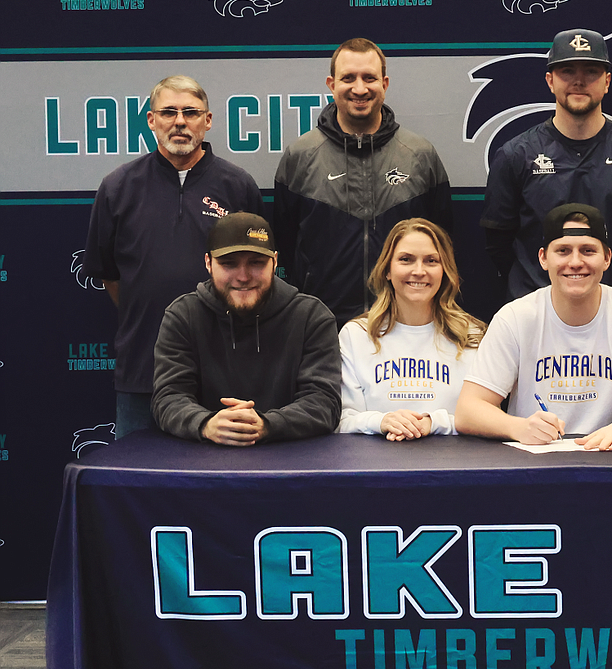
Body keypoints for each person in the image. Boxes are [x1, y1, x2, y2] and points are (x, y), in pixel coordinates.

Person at [83, 75, 263, 438]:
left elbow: (258, 274)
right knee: (135, 485)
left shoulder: (238, 186)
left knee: (221, 486)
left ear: (207, 121)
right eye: (168, 112)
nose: (179, 121)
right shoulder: (118, 187)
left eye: (190, 112)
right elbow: (112, 277)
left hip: (222, 371)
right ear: (151, 120)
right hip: (142, 369)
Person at [480, 28, 612, 312]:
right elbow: (499, 244)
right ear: (550, 81)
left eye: (591, 71)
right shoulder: (515, 155)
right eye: (567, 71)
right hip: (536, 313)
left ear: (607, 82)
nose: (579, 81)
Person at [456, 203, 612, 450]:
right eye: (563, 250)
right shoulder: (516, 317)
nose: (576, 262)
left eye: (588, 250)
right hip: (535, 461)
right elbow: (468, 410)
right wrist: (518, 427)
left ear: (607, 258)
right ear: (543, 258)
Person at [274, 37, 452, 327]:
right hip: (322, 326)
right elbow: (285, 245)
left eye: (369, 78)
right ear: (332, 85)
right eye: (348, 78)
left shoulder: (420, 155)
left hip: (405, 324)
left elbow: (443, 246)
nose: (359, 88)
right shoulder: (300, 156)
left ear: (385, 83)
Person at [152, 212, 342, 445]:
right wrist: (206, 424)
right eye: (229, 264)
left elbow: (324, 403)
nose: (243, 276)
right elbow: (168, 398)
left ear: (275, 262)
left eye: (256, 263)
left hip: (293, 464)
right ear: (208, 263)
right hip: (202, 466)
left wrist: (265, 425)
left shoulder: (312, 317)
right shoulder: (183, 316)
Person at [338, 218, 484, 440]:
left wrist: (432, 422)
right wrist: (382, 421)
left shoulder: (472, 336)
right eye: (406, 260)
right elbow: (341, 420)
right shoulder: (356, 335)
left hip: (452, 467)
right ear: (387, 269)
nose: (419, 271)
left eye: (431, 261)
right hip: (375, 468)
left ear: (445, 270)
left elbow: (487, 420)